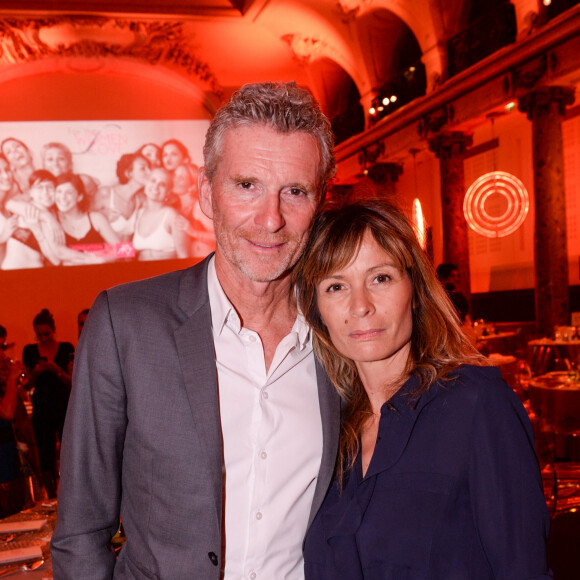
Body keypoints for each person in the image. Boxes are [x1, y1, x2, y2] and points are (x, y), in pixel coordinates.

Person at [51, 81, 340, 579]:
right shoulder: (126, 324)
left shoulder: (341, 334)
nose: (270, 219)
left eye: (294, 191)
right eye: (246, 185)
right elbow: (80, 533)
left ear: (319, 204)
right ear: (207, 193)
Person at [295, 201, 551, 579]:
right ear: (317, 310)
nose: (360, 306)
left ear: (414, 290)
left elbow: (523, 569)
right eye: (336, 286)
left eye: (380, 278)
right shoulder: (328, 430)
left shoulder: (477, 404)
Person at [22, 309, 74, 498]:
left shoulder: (66, 348)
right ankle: (50, 494)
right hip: (42, 409)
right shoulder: (29, 351)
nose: (43, 339)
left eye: (46, 334)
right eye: (39, 335)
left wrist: (56, 370)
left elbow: (72, 382)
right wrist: (36, 371)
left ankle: (70, 490)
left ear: (53, 331)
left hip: (63, 407)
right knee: (45, 453)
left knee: (69, 449)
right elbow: (27, 384)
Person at [55, 173, 119, 263]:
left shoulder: (96, 218)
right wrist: (87, 259)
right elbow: (56, 255)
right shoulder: (52, 220)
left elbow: (124, 249)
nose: (62, 197)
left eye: (69, 192)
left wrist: (102, 259)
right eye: (59, 191)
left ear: (79, 197)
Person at [132, 167, 189, 261]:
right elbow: (127, 251)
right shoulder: (139, 213)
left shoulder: (171, 215)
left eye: (162, 184)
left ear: (168, 192)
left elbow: (184, 257)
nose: (156, 186)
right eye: (153, 180)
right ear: (146, 183)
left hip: (165, 273)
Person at [91, 152, 151, 241]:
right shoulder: (106, 193)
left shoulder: (141, 200)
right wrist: (101, 215)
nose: (149, 172)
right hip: (105, 253)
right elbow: (84, 222)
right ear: (129, 173)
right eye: (143, 168)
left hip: (127, 253)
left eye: (149, 168)